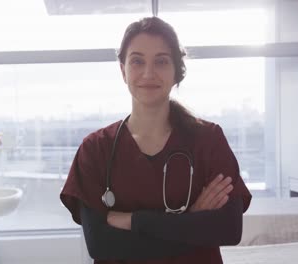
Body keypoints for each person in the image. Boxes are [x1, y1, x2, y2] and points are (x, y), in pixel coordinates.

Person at [60, 16, 252, 264]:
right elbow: (101, 244)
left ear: (176, 72)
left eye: (161, 61)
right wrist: (191, 223)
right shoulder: (96, 149)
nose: (149, 73)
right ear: (123, 70)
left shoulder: (209, 140)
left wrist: (133, 221)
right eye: (137, 61)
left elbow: (229, 229)